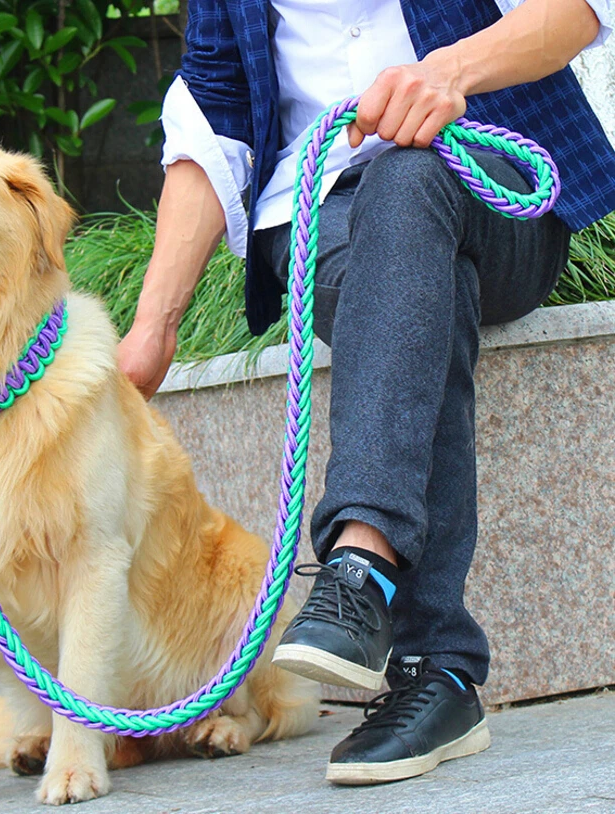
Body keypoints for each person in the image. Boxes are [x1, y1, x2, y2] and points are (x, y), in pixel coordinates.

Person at [117, 0, 615, 785]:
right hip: (320, 214)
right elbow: (212, 114)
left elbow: (579, 10)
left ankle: (364, 567)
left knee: (410, 173)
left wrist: (447, 70)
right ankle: (436, 673)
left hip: (490, 179)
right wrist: (154, 326)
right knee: (411, 283)